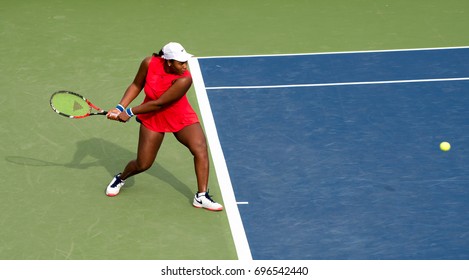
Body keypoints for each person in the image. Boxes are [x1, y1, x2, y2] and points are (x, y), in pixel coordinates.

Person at [105, 42, 223, 211]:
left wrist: (130, 112)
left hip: (179, 115)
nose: (185, 66)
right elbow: (136, 85)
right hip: (153, 118)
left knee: (200, 148)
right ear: (168, 61)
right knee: (143, 164)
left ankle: (201, 196)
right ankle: (121, 177)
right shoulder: (149, 63)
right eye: (180, 62)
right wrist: (120, 107)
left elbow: (159, 103)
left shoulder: (185, 78)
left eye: (185, 62)